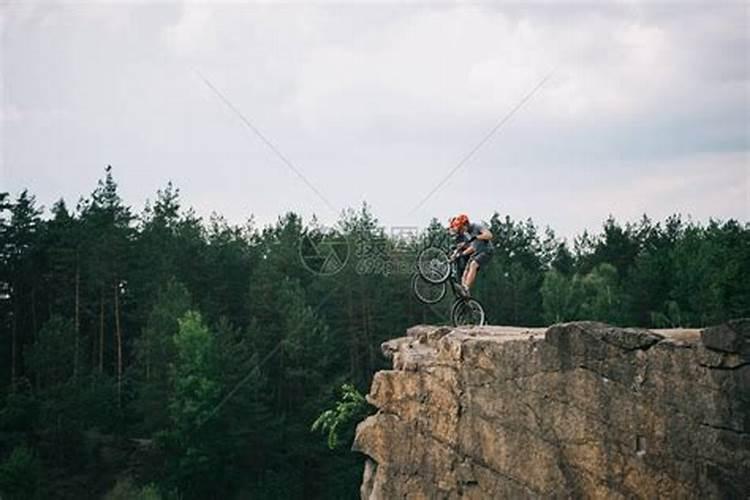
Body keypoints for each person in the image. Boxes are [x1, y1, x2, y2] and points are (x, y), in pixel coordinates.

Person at [449, 214, 494, 296]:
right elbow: (472, 248)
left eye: (462, 228)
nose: (462, 230)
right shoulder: (468, 233)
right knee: (465, 273)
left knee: (473, 265)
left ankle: (466, 288)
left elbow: (489, 235)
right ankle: (464, 292)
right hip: (477, 252)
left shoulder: (477, 226)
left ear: (466, 224)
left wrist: (477, 237)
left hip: (486, 250)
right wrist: (460, 254)